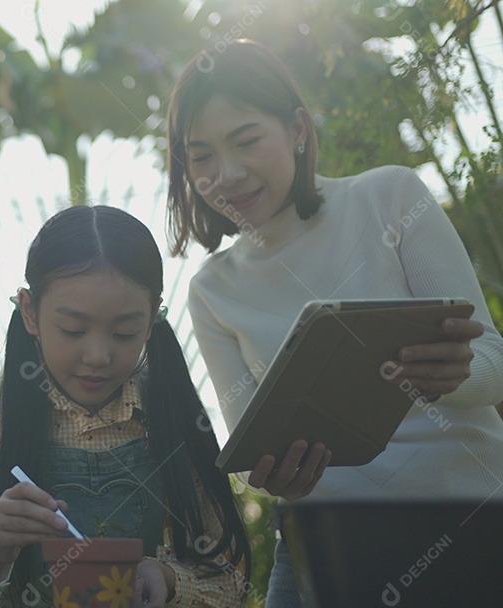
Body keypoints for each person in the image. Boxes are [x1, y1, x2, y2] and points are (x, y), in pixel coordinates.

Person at [166, 39, 503, 607]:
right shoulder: (211, 290)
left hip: (468, 513)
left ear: (297, 129)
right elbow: (248, 454)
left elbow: (494, 361)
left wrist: (454, 375)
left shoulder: (389, 196)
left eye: (246, 141)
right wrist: (272, 474)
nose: (227, 174)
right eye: (201, 158)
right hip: (332, 538)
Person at [0, 205, 251, 607]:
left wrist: (168, 579)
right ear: (30, 312)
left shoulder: (168, 415)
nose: (97, 356)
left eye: (124, 332)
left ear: (152, 317)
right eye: (73, 330)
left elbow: (230, 576)